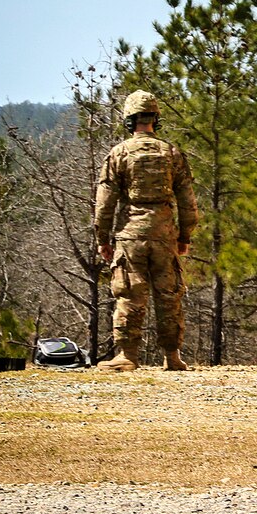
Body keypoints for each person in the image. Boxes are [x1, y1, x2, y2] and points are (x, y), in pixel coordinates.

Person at [94, 90, 198, 371]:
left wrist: (102, 239)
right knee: (168, 296)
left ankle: (127, 355)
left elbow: (105, 204)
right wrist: (184, 236)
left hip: (131, 236)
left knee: (129, 294)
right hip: (165, 235)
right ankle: (173, 356)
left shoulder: (119, 154)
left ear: (129, 119)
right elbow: (188, 202)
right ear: (155, 118)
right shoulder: (172, 153)